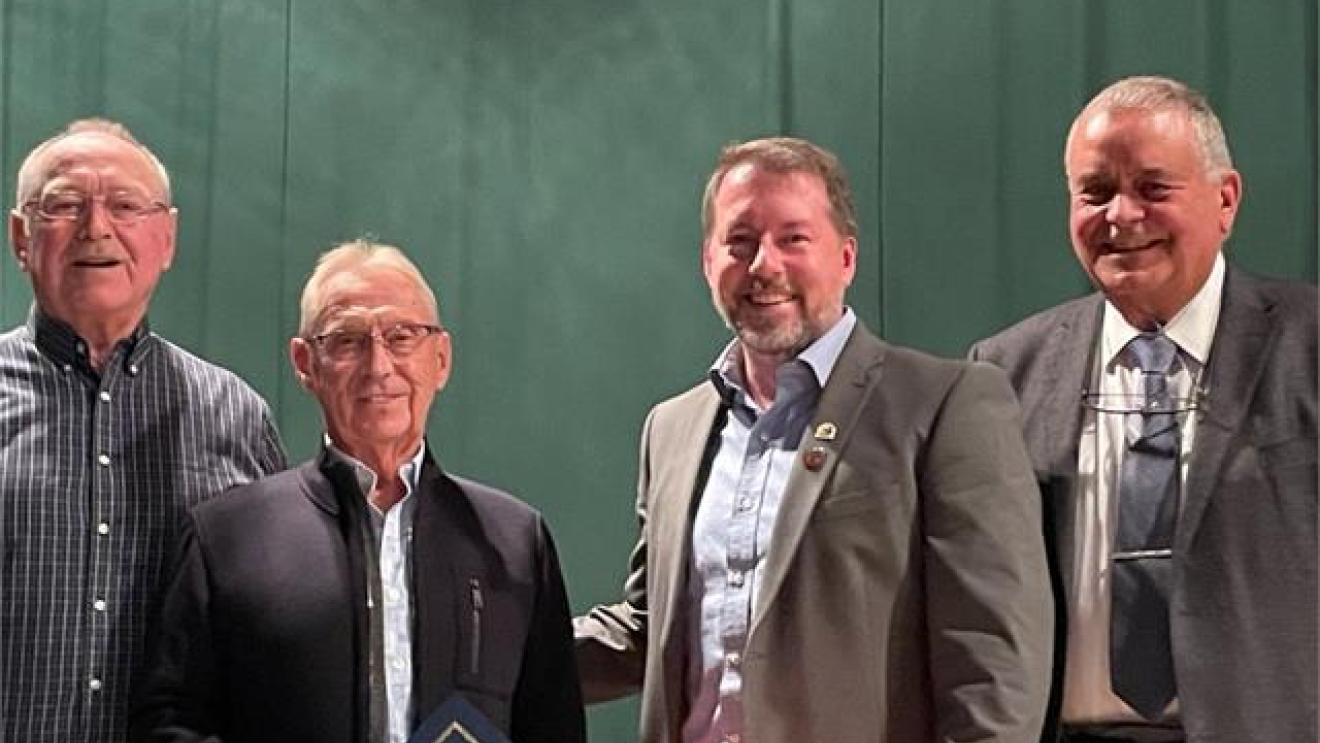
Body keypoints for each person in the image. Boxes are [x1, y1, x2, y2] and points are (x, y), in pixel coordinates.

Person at [575, 137, 1053, 742]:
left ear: (847, 257)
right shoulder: (670, 430)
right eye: (740, 242)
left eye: (793, 239)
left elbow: (993, 662)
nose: (763, 266)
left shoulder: (945, 405)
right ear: (707, 260)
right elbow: (650, 630)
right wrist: (481, 661)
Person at [971, 76, 1317, 743]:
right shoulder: (1003, 371)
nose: (1121, 216)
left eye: (1154, 189)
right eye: (1094, 192)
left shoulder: (1310, 344)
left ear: (1225, 200)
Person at [131, 240, 585, 743]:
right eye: (347, 340)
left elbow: (553, 724)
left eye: (402, 336)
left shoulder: (515, 541)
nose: (379, 366)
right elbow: (170, 725)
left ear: (441, 359)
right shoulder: (225, 538)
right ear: (305, 364)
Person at [0, 118, 286, 741]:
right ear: (21, 237)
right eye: (65, 204)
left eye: (126, 205)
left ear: (167, 238)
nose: (96, 227)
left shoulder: (235, 414)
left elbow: (273, 624)